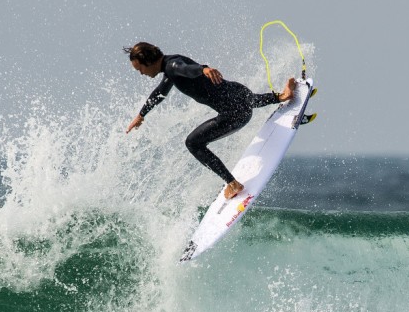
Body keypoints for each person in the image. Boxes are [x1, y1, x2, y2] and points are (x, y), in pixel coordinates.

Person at [124, 42, 296, 199]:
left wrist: (203, 69)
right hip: (240, 95)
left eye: (140, 69)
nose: (141, 73)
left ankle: (232, 184)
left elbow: (186, 69)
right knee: (242, 100)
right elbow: (160, 92)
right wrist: (141, 115)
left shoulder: (173, 66)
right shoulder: (170, 67)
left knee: (193, 143)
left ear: (148, 61)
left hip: (234, 115)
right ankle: (281, 96)